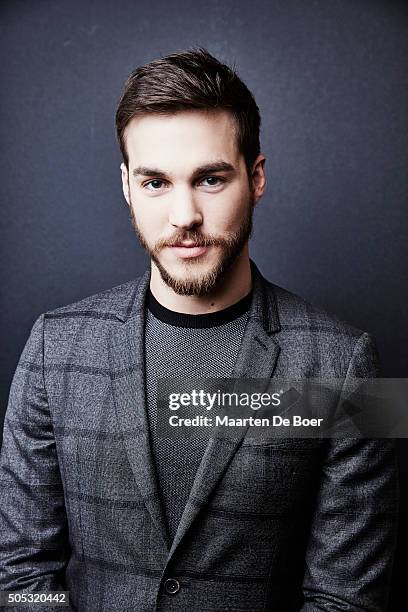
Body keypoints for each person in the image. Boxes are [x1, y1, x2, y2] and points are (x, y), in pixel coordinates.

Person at [0, 48, 398, 611]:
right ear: (126, 186)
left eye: (210, 179)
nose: (183, 214)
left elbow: (349, 599)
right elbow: (21, 578)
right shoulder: (51, 346)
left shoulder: (352, 364)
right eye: (156, 182)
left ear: (256, 177)